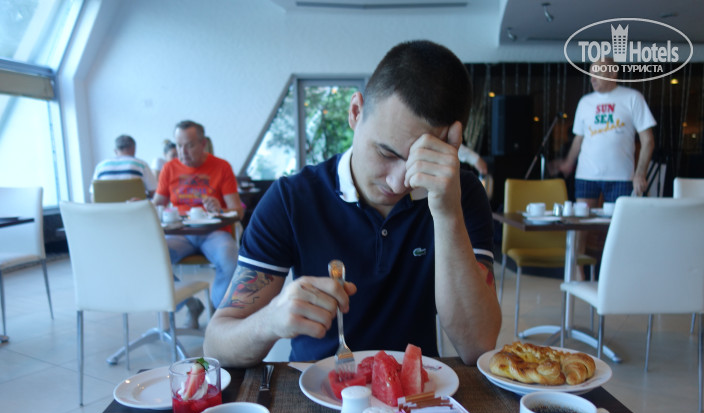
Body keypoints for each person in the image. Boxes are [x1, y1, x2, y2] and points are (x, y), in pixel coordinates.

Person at [204, 40, 501, 367]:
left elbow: (478, 347)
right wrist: (270, 320)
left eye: (419, 163)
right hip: (315, 386)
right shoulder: (292, 199)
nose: (397, 183)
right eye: (386, 153)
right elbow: (216, 345)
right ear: (356, 112)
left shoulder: (460, 195)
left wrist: (446, 213)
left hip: (417, 389)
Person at [153, 120, 244, 328]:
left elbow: (237, 211)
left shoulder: (221, 166)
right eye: (179, 146)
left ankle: (219, 312)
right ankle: (190, 303)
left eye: (189, 145)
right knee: (151, 257)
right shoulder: (169, 168)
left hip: (213, 233)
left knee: (231, 259)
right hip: (180, 233)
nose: (182, 152)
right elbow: (157, 205)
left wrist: (219, 209)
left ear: (203, 144)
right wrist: (140, 205)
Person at [556, 57, 656, 204]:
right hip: (586, 174)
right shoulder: (585, 102)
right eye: (591, 75)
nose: (592, 79)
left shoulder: (633, 98)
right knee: (582, 218)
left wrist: (640, 174)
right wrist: (568, 163)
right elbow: (578, 139)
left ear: (613, 73)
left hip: (621, 176)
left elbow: (648, 141)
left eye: (598, 74)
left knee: (618, 219)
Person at [89, 135, 157, 198]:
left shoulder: (100, 166)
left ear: (115, 150)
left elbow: (93, 197)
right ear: (134, 148)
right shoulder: (142, 165)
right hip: (133, 206)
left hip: (107, 207)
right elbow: (154, 193)